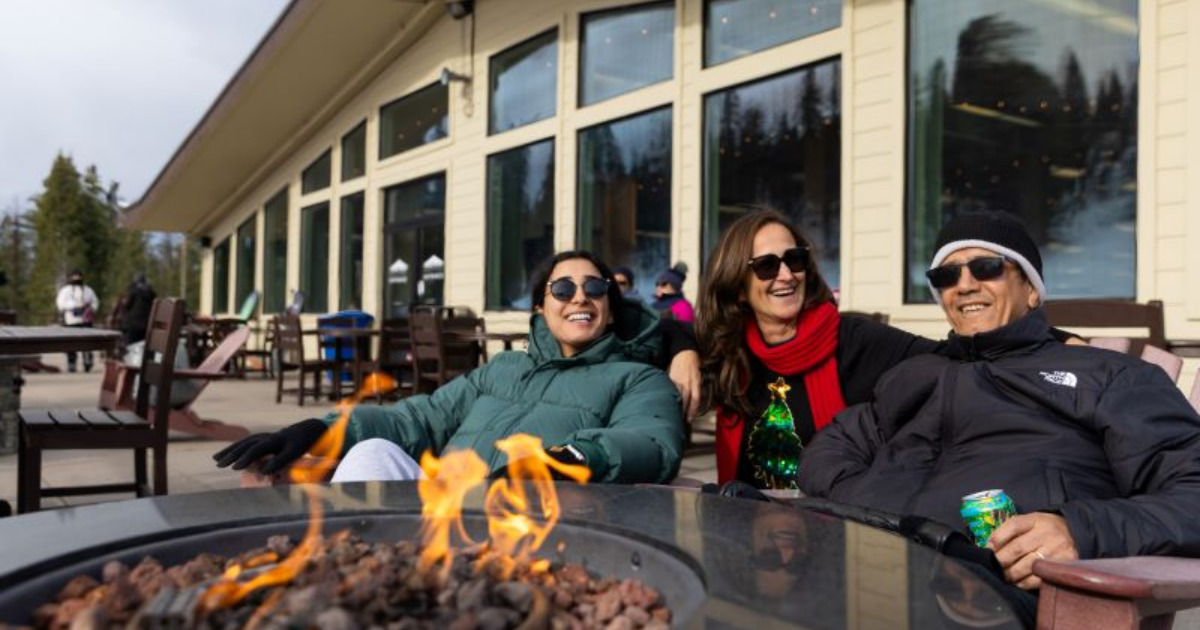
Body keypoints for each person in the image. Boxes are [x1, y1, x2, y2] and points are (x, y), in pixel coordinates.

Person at [799, 212, 1200, 627]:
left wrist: (1080, 531)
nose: (965, 284)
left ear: (1031, 290)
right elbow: (828, 450)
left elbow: (1193, 491)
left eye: (987, 267)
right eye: (946, 276)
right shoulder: (914, 376)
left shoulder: (1108, 376)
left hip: (990, 595)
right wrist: (868, 500)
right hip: (873, 576)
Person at [215, 250, 685, 484]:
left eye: (594, 287)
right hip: (443, 505)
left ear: (611, 303)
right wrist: (323, 428)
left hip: (532, 518)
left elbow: (651, 443)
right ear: (542, 308)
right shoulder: (503, 367)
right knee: (371, 453)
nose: (579, 297)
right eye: (562, 289)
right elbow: (419, 416)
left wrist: (574, 457)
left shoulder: (637, 377)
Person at [695, 210, 939, 490]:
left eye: (794, 260)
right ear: (738, 288)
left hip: (839, 523)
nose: (786, 275)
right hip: (743, 522)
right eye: (766, 266)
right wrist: (682, 352)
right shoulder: (730, 352)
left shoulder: (853, 339)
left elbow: (952, 358)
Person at [55, 268, 100, 373]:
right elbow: (60, 304)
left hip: (86, 320)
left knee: (87, 343)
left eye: (78, 276)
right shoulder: (65, 291)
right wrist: (74, 306)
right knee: (71, 343)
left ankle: (87, 362)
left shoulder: (88, 290)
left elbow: (95, 302)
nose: (77, 278)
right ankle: (72, 364)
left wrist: (90, 308)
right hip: (71, 320)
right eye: (74, 276)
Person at [121, 273, 157, 345]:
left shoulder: (134, 291)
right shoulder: (152, 293)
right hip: (147, 326)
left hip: (132, 326)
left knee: (127, 343)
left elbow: (127, 306)